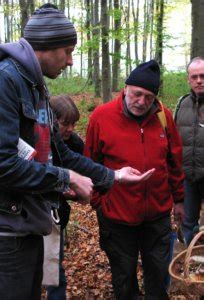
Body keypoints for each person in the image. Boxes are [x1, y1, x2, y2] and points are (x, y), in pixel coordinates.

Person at [0, 4, 154, 299]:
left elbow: (62, 155)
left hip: (28, 231)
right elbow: (0, 164)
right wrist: (68, 180)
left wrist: (112, 176)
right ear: (46, 46)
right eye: (68, 51)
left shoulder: (35, 88)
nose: (71, 61)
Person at [85, 60, 185, 300]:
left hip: (157, 216)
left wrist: (179, 200)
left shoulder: (164, 117)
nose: (142, 101)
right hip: (117, 217)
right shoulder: (102, 117)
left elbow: (175, 161)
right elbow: (90, 163)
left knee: (159, 276)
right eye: (137, 94)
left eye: (149, 97)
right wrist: (99, 202)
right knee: (124, 277)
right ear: (126, 88)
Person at [46, 95, 84, 299]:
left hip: (57, 215)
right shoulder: (41, 141)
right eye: (65, 124)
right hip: (35, 214)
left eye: (73, 124)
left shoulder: (74, 143)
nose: (70, 129)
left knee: (54, 272)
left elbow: (85, 167)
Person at [175, 56, 204, 246]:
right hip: (187, 178)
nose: (199, 80)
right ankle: (188, 267)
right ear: (188, 79)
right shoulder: (181, 104)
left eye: (203, 76)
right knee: (187, 224)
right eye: (194, 77)